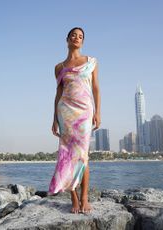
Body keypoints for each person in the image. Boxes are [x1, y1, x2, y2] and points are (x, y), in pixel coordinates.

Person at [48, 27, 101, 214]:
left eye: (80, 36)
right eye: (74, 35)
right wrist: (54, 118)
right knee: (67, 155)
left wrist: (98, 112)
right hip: (66, 113)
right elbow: (58, 93)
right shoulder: (59, 67)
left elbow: (95, 88)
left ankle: (85, 197)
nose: (77, 38)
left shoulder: (91, 62)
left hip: (85, 112)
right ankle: (74, 199)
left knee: (83, 155)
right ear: (67, 39)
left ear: (82, 41)